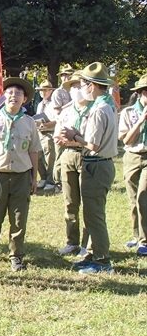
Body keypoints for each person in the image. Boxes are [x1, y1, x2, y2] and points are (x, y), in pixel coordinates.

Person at [62, 62, 118, 274]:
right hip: (103, 164)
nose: (81, 88)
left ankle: (103, 261)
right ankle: (93, 255)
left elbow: (92, 145)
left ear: (92, 85)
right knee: (93, 213)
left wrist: (74, 136)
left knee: (94, 216)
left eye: (83, 83)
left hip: (96, 164)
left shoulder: (98, 109)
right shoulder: (109, 104)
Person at [0, 77, 41, 271]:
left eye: (18, 93)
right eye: (10, 93)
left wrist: (34, 177)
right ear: (3, 97)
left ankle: (16, 255)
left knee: (19, 218)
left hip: (21, 175)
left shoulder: (29, 123)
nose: (13, 96)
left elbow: (33, 150)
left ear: (24, 99)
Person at [54, 71, 93, 256]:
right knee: (70, 201)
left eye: (79, 86)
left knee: (88, 202)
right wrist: (71, 140)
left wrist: (72, 140)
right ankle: (72, 242)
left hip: (88, 156)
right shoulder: (67, 110)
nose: (76, 90)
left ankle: (87, 244)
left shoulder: (94, 109)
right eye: (73, 87)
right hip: (68, 156)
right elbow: (57, 135)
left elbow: (92, 141)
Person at [118, 74, 147, 256]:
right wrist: (141, 121)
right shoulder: (128, 113)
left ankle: (145, 241)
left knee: (143, 198)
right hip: (132, 156)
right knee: (133, 199)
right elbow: (126, 141)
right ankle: (136, 236)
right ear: (142, 94)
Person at [51, 64, 75, 186]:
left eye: (70, 75)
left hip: (74, 126)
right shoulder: (58, 92)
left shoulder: (76, 91)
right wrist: (72, 104)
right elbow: (57, 112)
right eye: (65, 75)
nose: (67, 78)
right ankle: (57, 182)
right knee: (60, 154)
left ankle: (67, 180)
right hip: (62, 126)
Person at [35, 81, 58, 190]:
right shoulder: (40, 104)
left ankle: (50, 180)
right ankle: (43, 177)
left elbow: (56, 120)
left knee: (50, 158)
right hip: (40, 132)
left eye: (45, 90)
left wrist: (43, 124)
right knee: (38, 156)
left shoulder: (54, 104)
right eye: (41, 91)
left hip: (50, 133)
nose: (42, 93)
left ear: (51, 91)